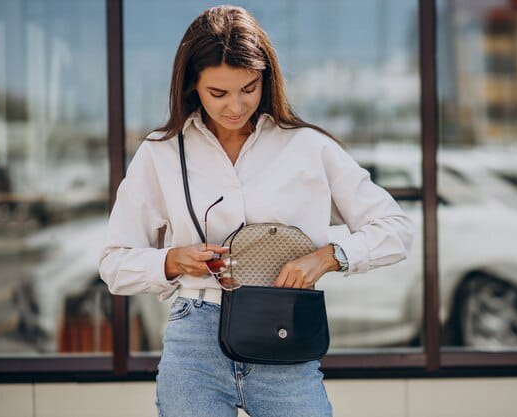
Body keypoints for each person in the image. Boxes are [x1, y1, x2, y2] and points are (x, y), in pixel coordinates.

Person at [99, 5, 414, 417]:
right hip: (195, 343)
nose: (235, 106)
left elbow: (397, 230)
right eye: (218, 93)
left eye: (248, 88)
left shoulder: (306, 146)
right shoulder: (160, 153)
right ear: (192, 86)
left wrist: (330, 257)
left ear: (266, 77)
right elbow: (113, 262)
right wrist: (172, 261)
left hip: (285, 335)